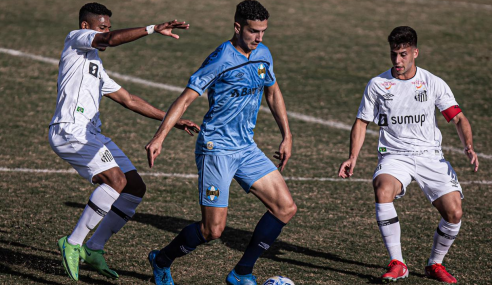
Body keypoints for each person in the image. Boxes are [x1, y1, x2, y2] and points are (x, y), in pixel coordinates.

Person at [145, 1, 297, 284]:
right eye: (253, 31)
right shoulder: (220, 58)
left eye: (263, 31)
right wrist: (160, 137)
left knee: (285, 207)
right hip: (216, 149)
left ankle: (241, 273)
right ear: (238, 27)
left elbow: (273, 93)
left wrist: (286, 135)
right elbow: (186, 97)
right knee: (212, 231)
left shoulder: (263, 53)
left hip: (246, 148)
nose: (259, 38)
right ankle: (161, 259)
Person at [49, 2, 199, 281]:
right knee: (115, 180)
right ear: (86, 26)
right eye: (102, 26)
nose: (107, 31)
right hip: (70, 131)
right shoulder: (75, 38)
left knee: (134, 187)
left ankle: (94, 248)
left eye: (108, 26)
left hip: (91, 134)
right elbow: (109, 40)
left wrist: (172, 120)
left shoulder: (95, 65)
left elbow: (129, 100)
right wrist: (153, 29)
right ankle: (73, 242)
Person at [338, 26, 479, 283]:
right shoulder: (378, 85)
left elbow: (457, 118)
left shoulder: (432, 83)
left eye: (403, 54)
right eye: (393, 54)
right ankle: (398, 263)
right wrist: (353, 156)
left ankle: (434, 264)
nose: (397, 61)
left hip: (429, 156)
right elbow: (361, 122)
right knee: (382, 189)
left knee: (454, 212)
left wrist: (468, 145)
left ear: (415, 52)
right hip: (395, 155)